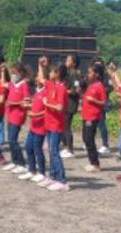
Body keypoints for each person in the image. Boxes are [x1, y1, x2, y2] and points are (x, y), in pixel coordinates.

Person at [37, 56, 70, 191]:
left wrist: (47, 103)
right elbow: (40, 79)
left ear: (57, 74)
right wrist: (40, 65)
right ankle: (53, 176)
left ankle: (62, 180)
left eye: (51, 71)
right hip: (49, 123)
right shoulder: (52, 84)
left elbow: (60, 107)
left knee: (54, 151)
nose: (48, 73)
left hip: (56, 125)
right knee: (50, 151)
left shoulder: (61, 88)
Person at [1, 63, 30, 174]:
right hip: (10, 115)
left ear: (20, 73)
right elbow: (3, 83)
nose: (13, 74)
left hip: (18, 116)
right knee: (10, 140)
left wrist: (15, 103)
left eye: (14, 72)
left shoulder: (23, 85)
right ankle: (14, 161)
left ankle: (21, 163)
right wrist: (3, 71)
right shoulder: (13, 84)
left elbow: (27, 101)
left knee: (14, 140)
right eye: (12, 72)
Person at [17, 80, 47, 183]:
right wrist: (28, 105)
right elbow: (36, 105)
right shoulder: (37, 92)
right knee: (28, 147)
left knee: (37, 149)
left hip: (41, 126)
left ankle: (42, 173)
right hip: (33, 125)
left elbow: (47, 110)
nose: (37, 80)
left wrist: (35, 115)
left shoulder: (46, 92)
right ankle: (32, 170)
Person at [81, 64, 108, 173]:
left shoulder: (99, 86)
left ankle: (95, 163)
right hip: (86, 115)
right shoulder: (91, 85)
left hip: (92, 116)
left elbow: (104, 102)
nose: (88, 74)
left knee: (89, 139)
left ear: (96, 74)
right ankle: (92, 161)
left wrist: (93, 100)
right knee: (86, 138)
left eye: (90, 72)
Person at [61, 54, 81, 158]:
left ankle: (70, 149)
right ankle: (65, 147)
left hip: (71, 103)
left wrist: (64, 91)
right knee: (63, 125)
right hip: (66, 102)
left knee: (67, 125)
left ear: (74, 63)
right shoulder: (68, 73)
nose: (66, 61)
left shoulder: (75, 74)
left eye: (69, 60)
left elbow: (76, 90)